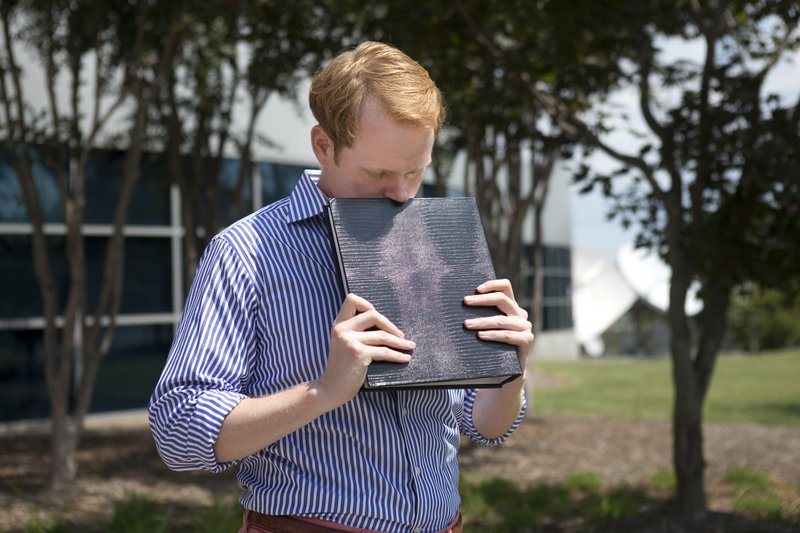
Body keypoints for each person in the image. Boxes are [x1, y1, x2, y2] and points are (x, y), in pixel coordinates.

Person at [148, 41, 533, 533]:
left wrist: (510, 368)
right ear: (323, 145)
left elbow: (482, 427)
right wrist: (323, 391)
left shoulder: (438, 243)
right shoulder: (245, 252)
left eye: (416, 171)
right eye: (378, 173)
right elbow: (178, 432)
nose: (400, 193)